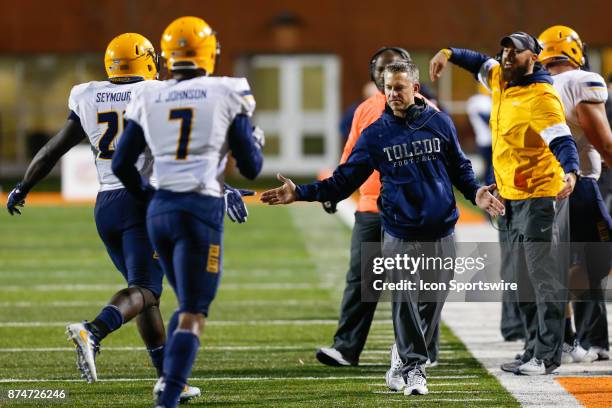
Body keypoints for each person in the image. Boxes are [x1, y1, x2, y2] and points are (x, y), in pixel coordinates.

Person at [4, 32, 229, 401]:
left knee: (143, 293)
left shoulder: (87, 94)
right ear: (146, 60)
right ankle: (94, 330)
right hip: (144, 200)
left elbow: (51, 151)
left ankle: (170, 379)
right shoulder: (156, 92)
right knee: (147, 289)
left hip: (106, 205)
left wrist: (23, 187)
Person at [262, 61, 503, 396]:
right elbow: (343, 181)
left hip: (442, 229)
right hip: (399, 232)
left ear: (415, 89)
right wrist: (300, 192)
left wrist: (476, 191)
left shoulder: (439, 122)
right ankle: (415, 368)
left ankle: (401, 356)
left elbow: (460, 168)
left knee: (431, 305)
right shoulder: (375, 134)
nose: (392, 94)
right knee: (404, 300)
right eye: (388, 88)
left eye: (399, 87)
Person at [111, 16, 263, 408]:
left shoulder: (148, 95)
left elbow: (121, 165)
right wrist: (251, 140)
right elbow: (251, 166)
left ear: (167, 56)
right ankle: (169, 394)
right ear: (209, 53)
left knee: (183, 306)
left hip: (159, 210)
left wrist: (150, 194)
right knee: (195, 312)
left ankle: (169, 384)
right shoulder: (227, 91)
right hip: (200, 209)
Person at [430, 31, 580, 375]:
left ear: (534, 58)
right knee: (517, 278)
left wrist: (570, 173)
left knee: (542, 278)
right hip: (509, 196)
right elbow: (476, 60)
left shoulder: (541, 96)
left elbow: (562, 140)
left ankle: (547, 354)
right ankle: (531, 349)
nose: (507, 56)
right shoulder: (499, 76)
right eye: (505, 49)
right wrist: (447, 50)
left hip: (539, 196)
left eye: (517, 51)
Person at [316, 46, 441, 369]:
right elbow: (350, 156)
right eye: (384, 69)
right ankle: (346, 348)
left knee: (416, 282)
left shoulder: (428, 110)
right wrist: (334, 192)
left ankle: (422, 349)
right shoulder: (364, 110)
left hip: (413, 210)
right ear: (376, 75)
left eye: (396, 68)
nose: (389, 74)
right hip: (372, 207)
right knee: (361, 279)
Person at [538, 25, 612, 362]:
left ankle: (572, 339)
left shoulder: (537, 86)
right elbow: (604, 141)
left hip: (548, 188)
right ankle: (559, 332)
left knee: (573, 263)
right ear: (573, 50)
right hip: (579, 183)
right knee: (599, 260)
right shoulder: (580, 81)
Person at [466, 84, 493, 184]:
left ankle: (488, 186)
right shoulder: (481, 100)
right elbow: (488, 120)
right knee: (491, 168)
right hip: (488, 139)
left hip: (482, 139)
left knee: (489, 167)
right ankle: (489, 187)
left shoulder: (474, 101)